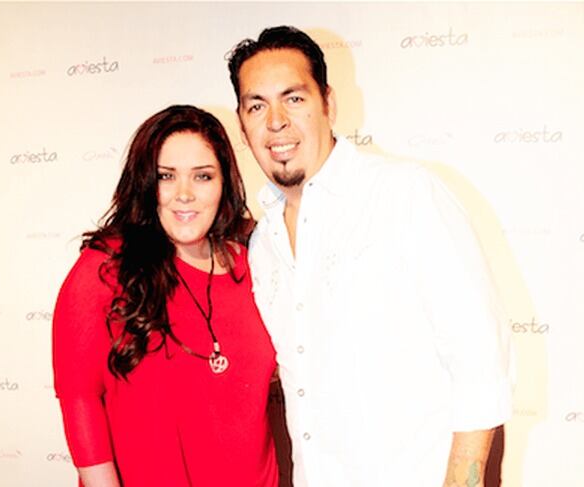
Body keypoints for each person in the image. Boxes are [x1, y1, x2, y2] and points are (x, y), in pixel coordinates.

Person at [227, 26, 513, 487]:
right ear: (243, 126)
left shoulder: (404, 194)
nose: (276, 121)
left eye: (294, 98)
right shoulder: (262, 244)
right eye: (256, 106)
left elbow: (480, 353)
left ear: (328, 103)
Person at [52, 105, 279, 487]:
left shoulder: (256, 262)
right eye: (166, 176)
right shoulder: (107, 268)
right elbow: (80, 398)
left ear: (224, 183)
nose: (184, 195)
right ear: (145, 183)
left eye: (203, 176)